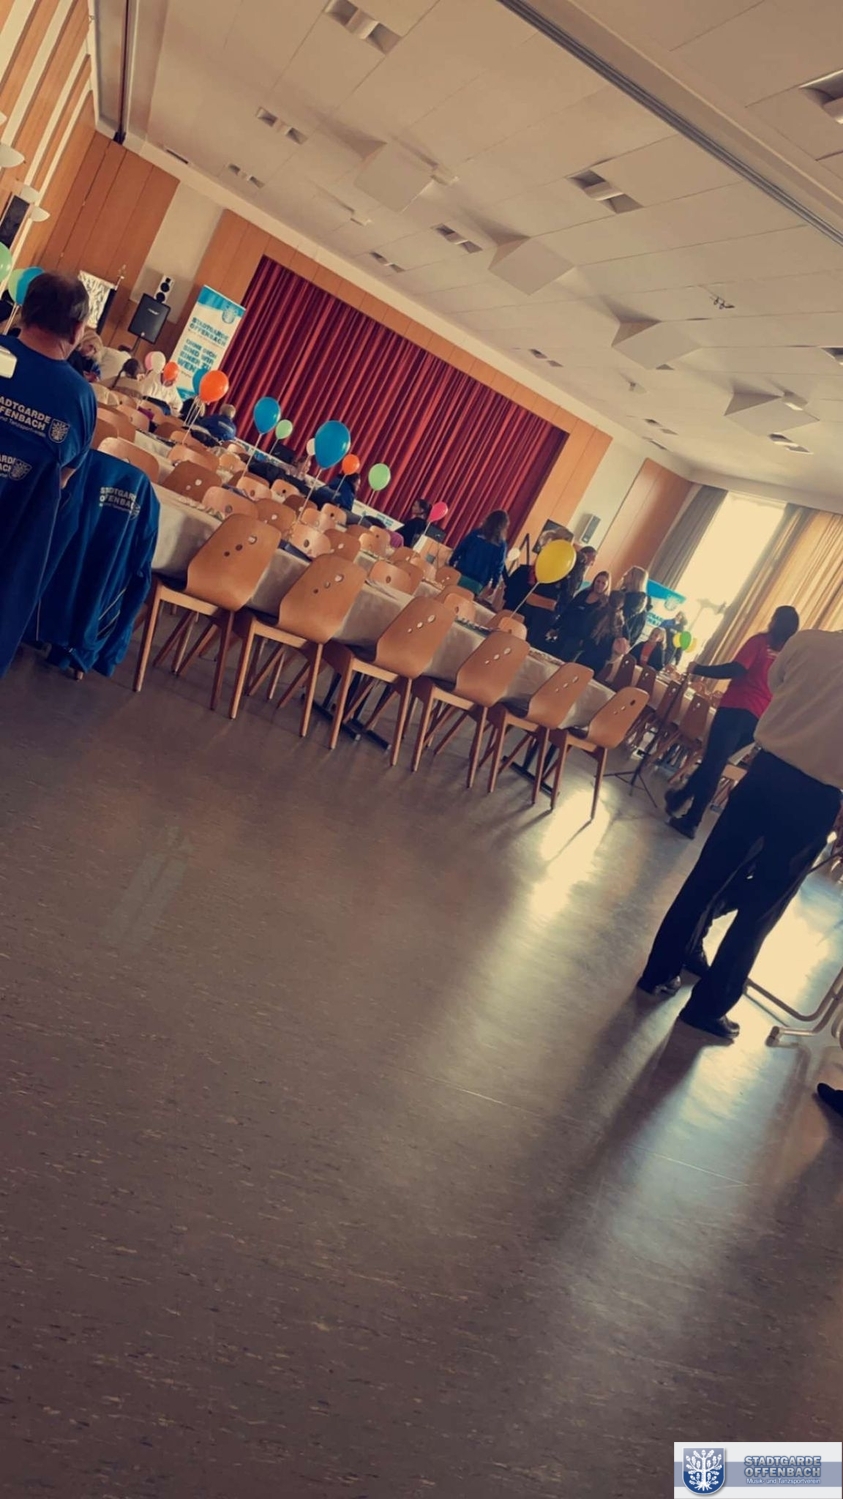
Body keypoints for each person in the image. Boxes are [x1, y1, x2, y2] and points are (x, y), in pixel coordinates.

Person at [637, 628, 843, 1041]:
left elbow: (777, 685)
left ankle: (659, 971)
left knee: (708, 876)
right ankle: (709, 1005)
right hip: (816, 798)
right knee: (762, 907)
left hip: (765, 774)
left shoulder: (807, 642)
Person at [0, 272, 96, 674]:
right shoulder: (80, 400)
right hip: (11, 553)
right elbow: (57, 485)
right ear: (77, 329)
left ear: (25, 310)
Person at [665, 606, 800, 839]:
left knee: (714, 764)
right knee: (714, 762)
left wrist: (700, 669)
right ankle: (680, 797)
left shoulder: (759, 642)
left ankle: (691, 820)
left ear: (775, 621)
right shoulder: (790, 655)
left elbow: (736, 669)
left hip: (736, 707)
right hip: (758, 718)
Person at [550, 569, 611, 660]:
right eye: (598, 581)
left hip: (578, 639)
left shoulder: (604, 604)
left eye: (603, 583)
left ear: (607, 586)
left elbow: (597, 626)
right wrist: (555, 627)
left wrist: (586, 642)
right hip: (565, 631)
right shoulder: (583, 594)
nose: (599, 585)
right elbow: (568, 610)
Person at [449, 510, 509, 595]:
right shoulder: (501, 545)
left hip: (460, 573)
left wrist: (451, 562)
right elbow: (498, 567)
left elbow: (461, 548)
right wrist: (494, 585)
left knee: (449, 597)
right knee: (465, 601)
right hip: (478, 581)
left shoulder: (475, 533)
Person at [576, 588, 628, 675]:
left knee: (576, 671)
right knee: (589, 676)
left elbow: (587, 627)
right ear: (622, 604)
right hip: (604, 654)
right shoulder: (621, 621)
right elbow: (625, 637)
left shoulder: (599, 611)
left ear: (609, 599)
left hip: (589, 648)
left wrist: (583, 640)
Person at [556, 544, 597, 612]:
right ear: (586, 554)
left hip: (566, 597)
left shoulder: (582, 569)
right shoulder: (575, 563)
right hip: (560, 595)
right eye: (593, 557)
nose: (593, 561)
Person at [618, 566, 650, 646]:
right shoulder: (622, 593)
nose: (624, 575)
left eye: (628, 574)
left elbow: (622, 618)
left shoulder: (637, 600)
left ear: (635, 578)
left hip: (619, 639)